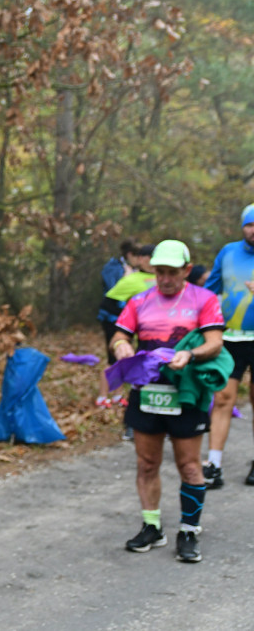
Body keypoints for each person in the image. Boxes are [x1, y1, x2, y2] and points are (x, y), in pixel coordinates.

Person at [110, 239, 225, 563]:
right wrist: (121, 347)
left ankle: (189, 529)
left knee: (189, 465)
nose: (165, 279)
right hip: (147, 392)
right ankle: (152, 526)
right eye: (160, 272)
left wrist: (189, 353)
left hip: (186, 393)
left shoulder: (204, 299)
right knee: (147, 463)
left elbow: (215, 343)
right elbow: (120, 334)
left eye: (172, 273)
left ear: (187, 270)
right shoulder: (139, 300)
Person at [202, 204, 254, 489]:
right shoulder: (228, 252)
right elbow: (209, 290)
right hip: (230, 338)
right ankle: (214, 465)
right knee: (223, 399)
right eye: (250, 224)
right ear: (242, 226)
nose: (253, 230)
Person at [95, 240, 139, 407]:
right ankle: (102, 396)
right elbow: (112, 291)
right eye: (138, 256)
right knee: (113, 357)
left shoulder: (135, 270)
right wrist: (127, 278)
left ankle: (117, 395)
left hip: (127, 318)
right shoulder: (113, 267)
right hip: (112, 318)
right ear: (130, 255)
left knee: (123, 357)